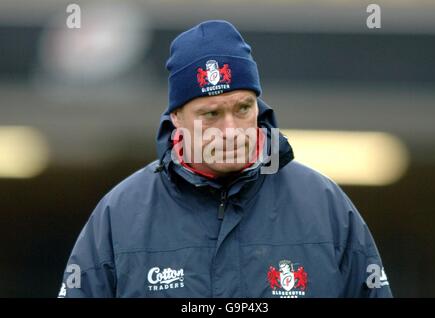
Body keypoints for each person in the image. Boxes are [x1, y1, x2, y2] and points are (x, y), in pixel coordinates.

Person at [59, 20, 392, 298]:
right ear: (176, 116)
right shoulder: (120, 216)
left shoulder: (325, 207)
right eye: (211, 114)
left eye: (243, 108)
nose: (230, 131)